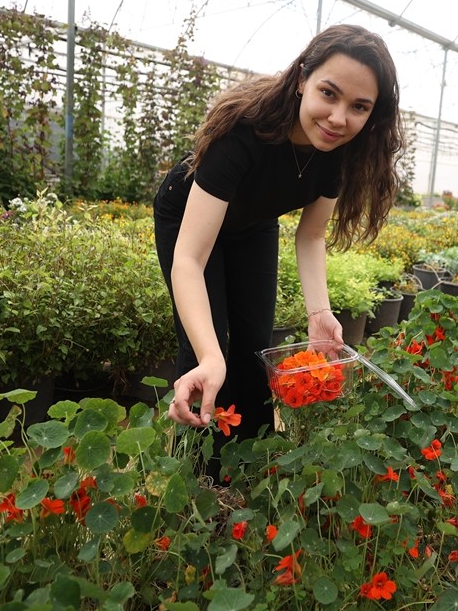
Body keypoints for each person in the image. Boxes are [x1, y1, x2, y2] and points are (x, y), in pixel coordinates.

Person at [152, 24, 403, 466]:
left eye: (359, 107)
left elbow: (310, 234)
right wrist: (211, 355)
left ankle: (250, 469)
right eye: (329, 93)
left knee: (254, 347)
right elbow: (189, 259)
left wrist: (320, 314)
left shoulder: (340, 153)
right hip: (188, 220)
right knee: (209, 352)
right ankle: (196, 477)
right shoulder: (243, 133)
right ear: (303, 77)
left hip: (253, 224)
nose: (339, 118)